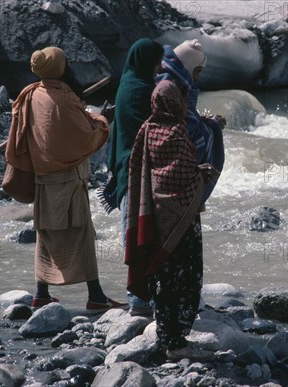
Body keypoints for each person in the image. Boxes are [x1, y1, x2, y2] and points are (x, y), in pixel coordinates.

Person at [5, 46, 125, 310]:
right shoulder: (63, 98)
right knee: (82, 235)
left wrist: (92, 117)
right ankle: (95, 296)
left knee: (45, 235)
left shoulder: (31, 94)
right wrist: (103, 121)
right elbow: (81, 137)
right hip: (68, 179)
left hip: (42, 179)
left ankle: (41, 293)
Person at [125, 80, 219, 361]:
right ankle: (177, 343)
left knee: (161, 277)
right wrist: (201, 173)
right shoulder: (177, 131)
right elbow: (182, 177)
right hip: (181, 222)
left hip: (154, 217)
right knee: (184, 277)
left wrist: (193, 170)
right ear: (176, 102)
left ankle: (168, 337)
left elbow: (148, 171)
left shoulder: (146, 129)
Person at [100, 38, 164, 316]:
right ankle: (139, 299)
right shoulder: (141, 91)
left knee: (137, 232)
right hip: (138, 171)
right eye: (157, 61)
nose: (160, 67)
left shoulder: (127, 85)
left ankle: (142, 295)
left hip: (130, 170)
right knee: (140, 233)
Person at [156, 39, 225, 206]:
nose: (197, 78)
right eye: (197, 71)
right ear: (188, 66)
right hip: (174, 179)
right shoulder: (170, 89)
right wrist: (211, 126)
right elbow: (182, 127)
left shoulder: (174, 83)